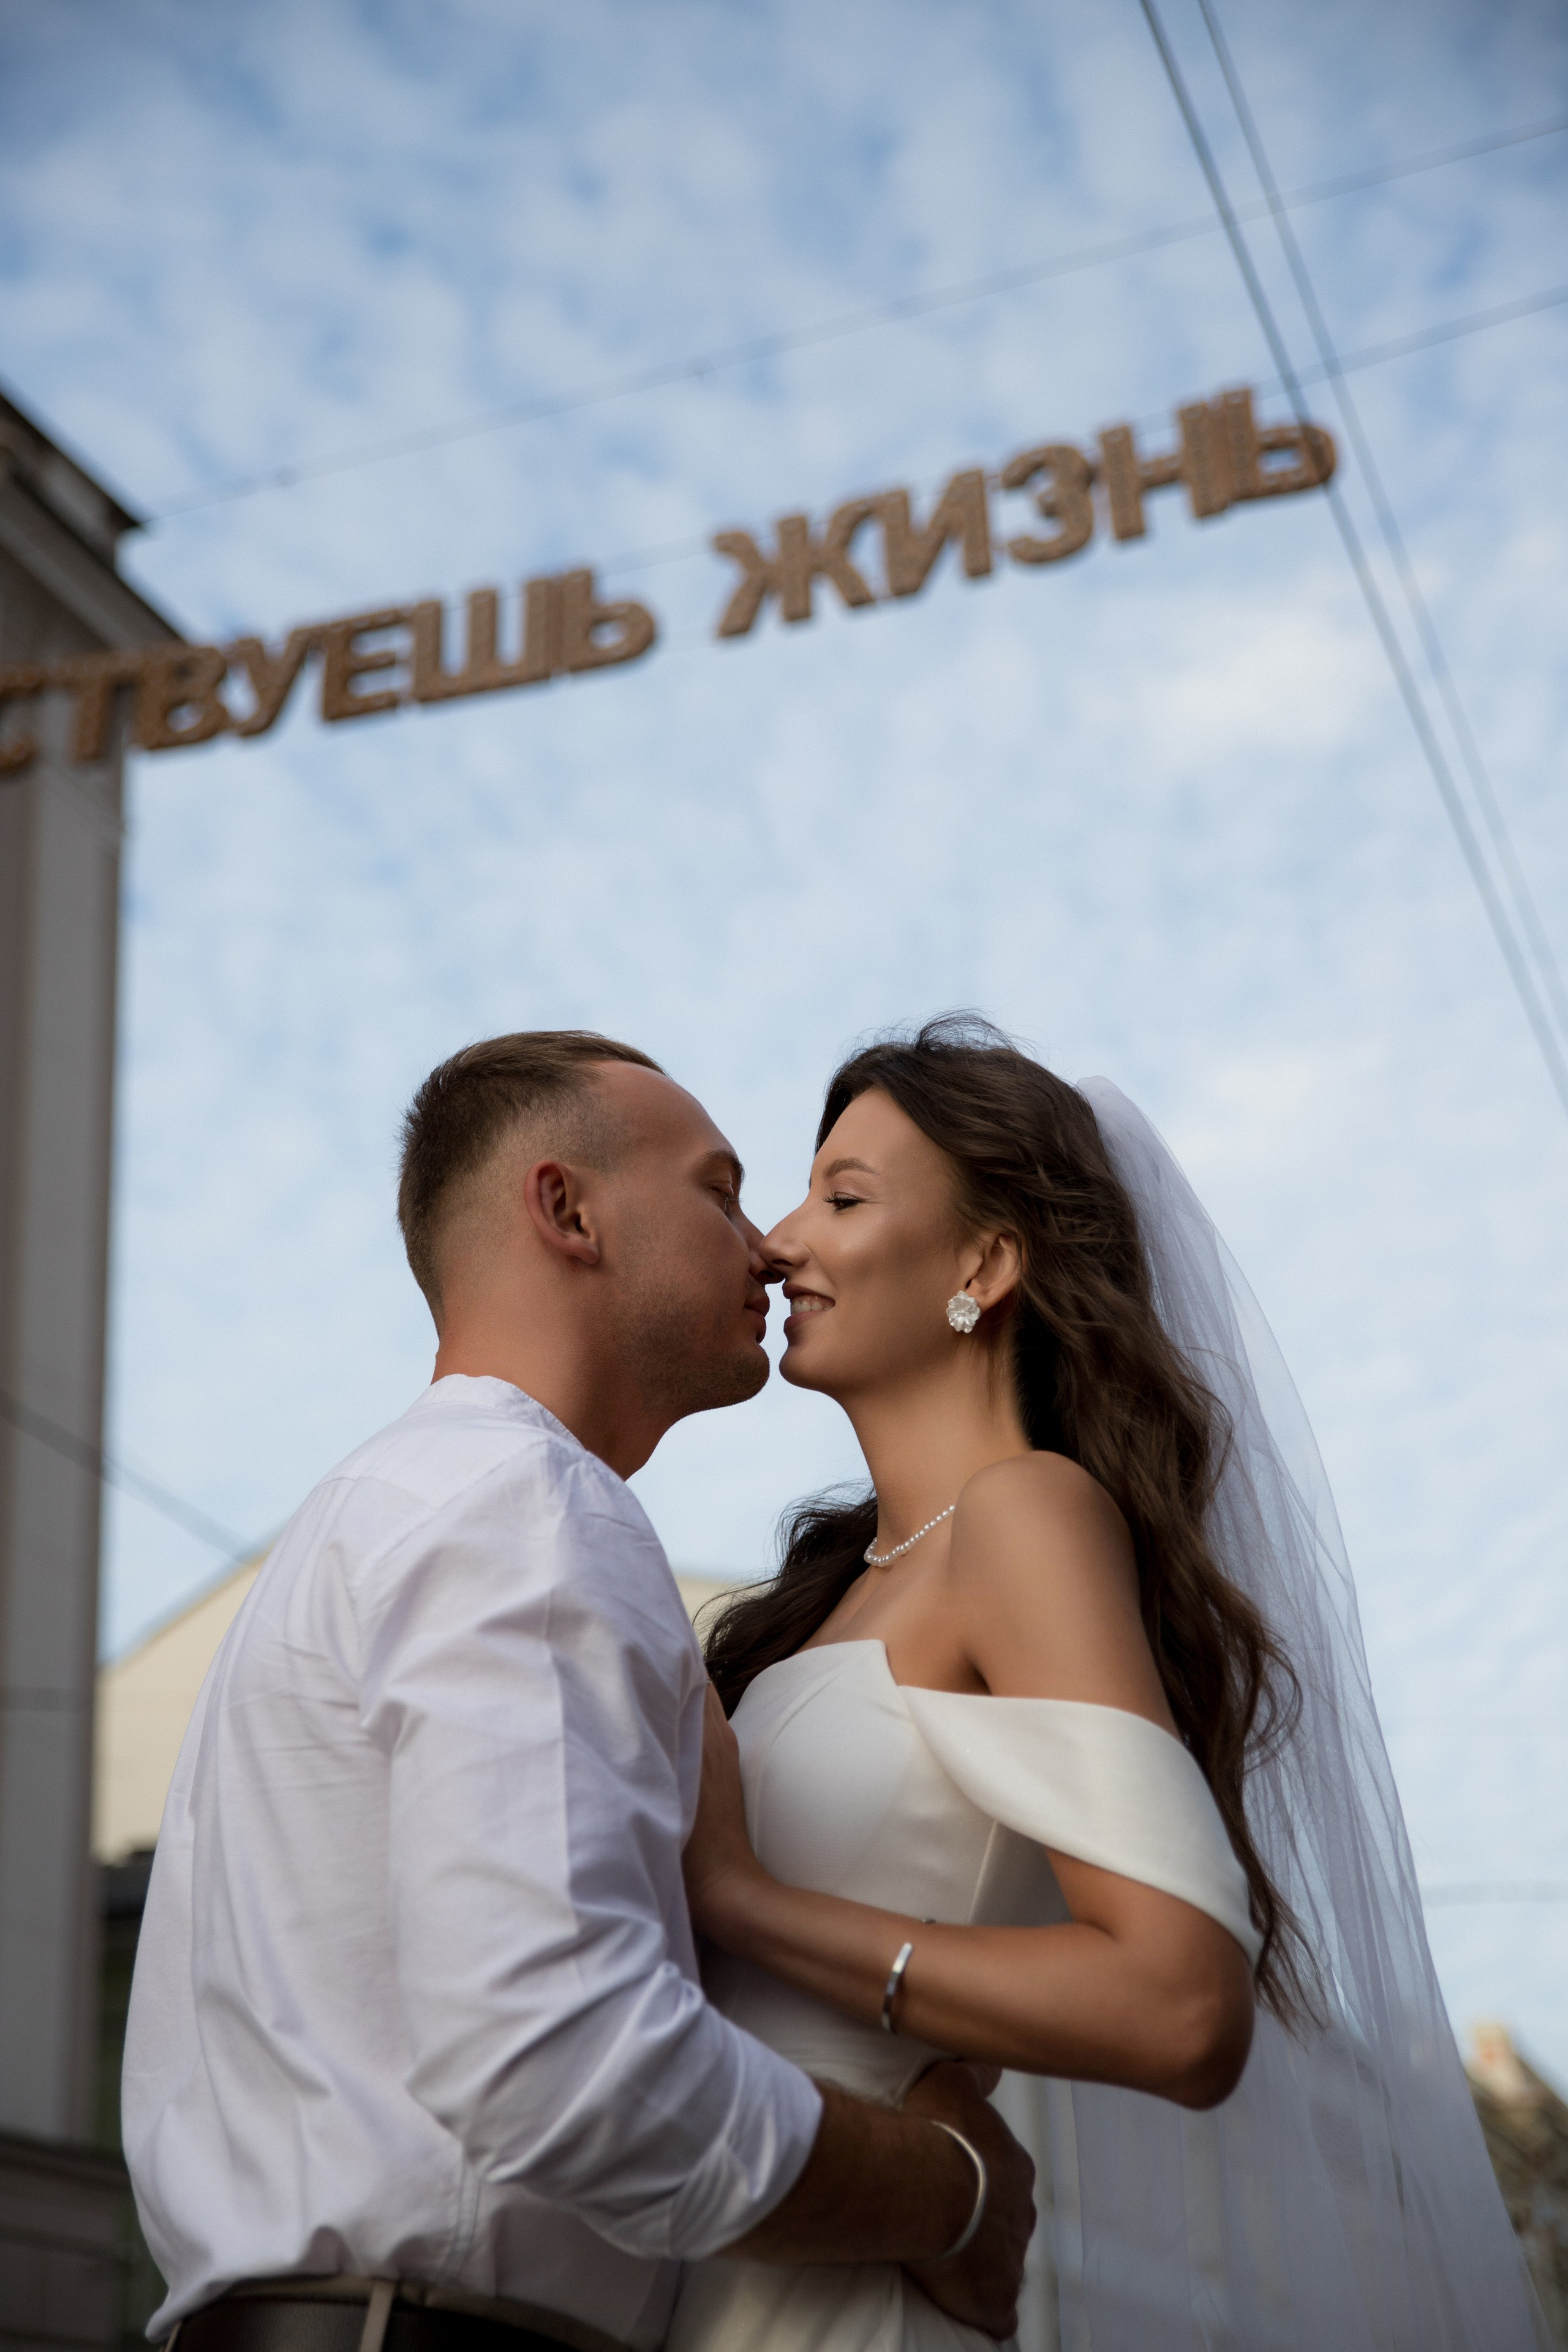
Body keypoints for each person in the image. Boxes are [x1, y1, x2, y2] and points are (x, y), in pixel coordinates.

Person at [122, 1031, 1035, 2352]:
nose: (766, 1245)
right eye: (718, 1190)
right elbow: (555, 2052)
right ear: (566, 1209)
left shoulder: (383, 1511)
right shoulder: (525, 1503)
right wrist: (950, 2193)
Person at [668, 1016, 1547, 2352]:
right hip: (720, 2256)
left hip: (843, 2306)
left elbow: (1180, 2004)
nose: (779, 1240)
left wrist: (748, 1903)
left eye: (840, 1196)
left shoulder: (1022, 1518)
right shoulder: (831, 1593)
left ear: (984, 1263)